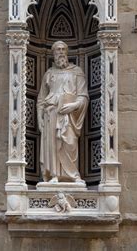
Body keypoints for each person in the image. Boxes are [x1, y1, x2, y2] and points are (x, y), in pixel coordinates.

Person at [37, 41, 88, 183]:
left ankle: (73, 175)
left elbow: (83, 96)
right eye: (57, 50)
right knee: (53, 145)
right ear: (53, 54)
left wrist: (73, 106)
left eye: (62, 49)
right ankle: (54, 175)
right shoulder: (49, 73)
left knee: (69, 143)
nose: (60, 52)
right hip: (51, 113)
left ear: (67, 52)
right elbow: (41, 99)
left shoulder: (77, 72)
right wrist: (39, 118)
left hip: (69, 115)